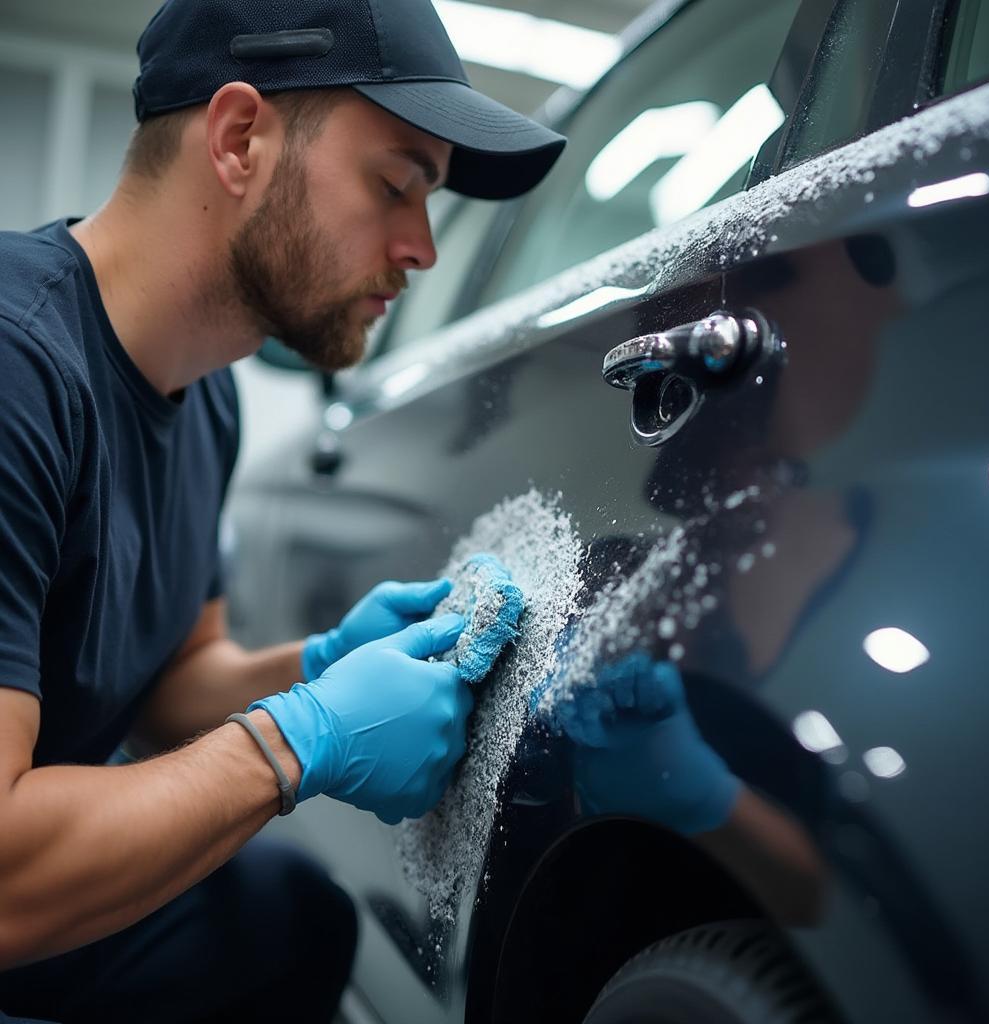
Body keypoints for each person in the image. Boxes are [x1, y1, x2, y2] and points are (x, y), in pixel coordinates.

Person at [0, 1, 566, 1021]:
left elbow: (174, 678)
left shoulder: (202, 390)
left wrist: (313, 667)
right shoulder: (15, 366)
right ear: (238, 138)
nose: (421, 247)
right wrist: (295, 741)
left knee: (287, 921)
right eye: (397, 185)